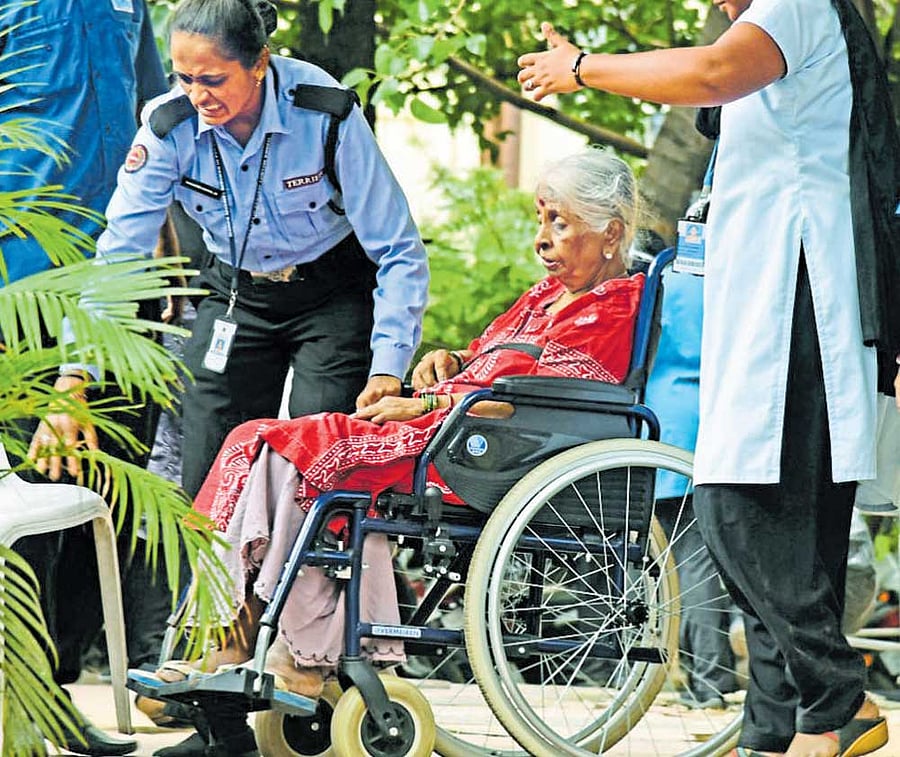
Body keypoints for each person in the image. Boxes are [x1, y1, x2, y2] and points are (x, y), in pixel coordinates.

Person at [153, 146, 646, 756]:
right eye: (541, 219)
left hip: (487, 454)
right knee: (261, 441)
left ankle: (295, 656)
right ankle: (236, 640)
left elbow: (535, 399)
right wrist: (450, 361)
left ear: (610, 233)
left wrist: (431, 402)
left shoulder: (612, 306)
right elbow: (489, 362)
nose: (542, 238)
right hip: (456, 433)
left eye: (560, 223)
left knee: (296, 451)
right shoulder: (544, 296)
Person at [517, 2, 900, 756]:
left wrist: (582, 70)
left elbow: (712, 71)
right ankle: (783, 727)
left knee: (736, 509)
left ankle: (837, 698)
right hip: (770, 299)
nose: (718, 6)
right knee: (792, 526)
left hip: (802, 296)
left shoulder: (795, 6)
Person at [47, 0, 427, 504]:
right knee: (208, 472)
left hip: (330, 298)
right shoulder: (168, 126)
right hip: (235, 296)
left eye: (213, 80)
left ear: (259, 62)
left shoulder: (322, 111)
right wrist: (76, 373)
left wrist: (388, 368)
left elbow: (398, 248)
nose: (197, 96)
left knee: (321, 461)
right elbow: (120, 256)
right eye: (184, 78)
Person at [0, 1, 170, 753]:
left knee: (111, 487)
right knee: (31, 493)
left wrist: (168, 246)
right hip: (25, 277)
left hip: (121, 279)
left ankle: (57, 681)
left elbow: (158, 115)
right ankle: (28, 691)